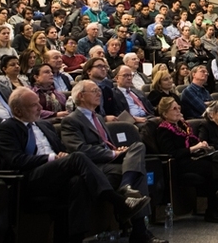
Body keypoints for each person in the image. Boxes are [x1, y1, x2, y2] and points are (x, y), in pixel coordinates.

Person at [0, 88, 162, 243]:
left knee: (79, 182)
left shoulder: (44, 125)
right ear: (18, 110)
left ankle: (76, 237)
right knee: (77, 157)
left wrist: (60, 156)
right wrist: (52, 158)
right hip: (32, 177)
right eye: (34, 105)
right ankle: (118, 201)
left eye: (38, 103)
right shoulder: (8, 127)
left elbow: (61, 149)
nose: (40, 108)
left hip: (57, 172)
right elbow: (16, 160)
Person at [61, 81, 158, 242]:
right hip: (93, 165)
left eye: (99, 91)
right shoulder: (71, 121)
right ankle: (140, 231)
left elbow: (106, 142)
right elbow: (80, 150)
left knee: (138, 146)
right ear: (80, 96)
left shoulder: (98, 117)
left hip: (111, 158)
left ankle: (125, 187)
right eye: (94, 91)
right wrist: (111, 153)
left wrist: (117, 151)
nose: (99, 94)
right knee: (138, 172)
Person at [147, 96, 218, 223]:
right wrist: (194, 148)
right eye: (174, 109)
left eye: (179, 108)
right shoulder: (163, 130)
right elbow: (172, 153)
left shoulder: (182, 126)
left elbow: (194, 141)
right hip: (181, 162)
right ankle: (214, 205)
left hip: (195, 156)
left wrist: (202, 145)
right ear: (165, 113)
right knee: (212, 168)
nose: (178, 110)